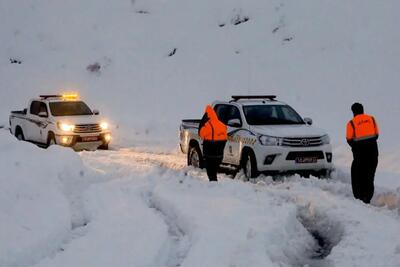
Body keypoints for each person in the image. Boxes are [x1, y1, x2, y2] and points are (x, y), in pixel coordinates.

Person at [346, 103, 379, 203]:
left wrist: (357, 147)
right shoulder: (372, 119)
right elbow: (376, 135)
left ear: (353, 112)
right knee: (369, 175)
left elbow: (349, 139)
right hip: (373, 152)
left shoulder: (351, 123)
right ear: (362, 110)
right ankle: (367, 197)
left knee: (357, 174)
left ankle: (359, 197)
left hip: (360, 155)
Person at [198, 105, 227, 181]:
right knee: (214, 173)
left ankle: (213, 188)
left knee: (211, 173)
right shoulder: (222, 125)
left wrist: (202, 122)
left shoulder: (208, 126)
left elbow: (201, 133)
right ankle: (214, 186)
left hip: (210, 155)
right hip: (219, 155)